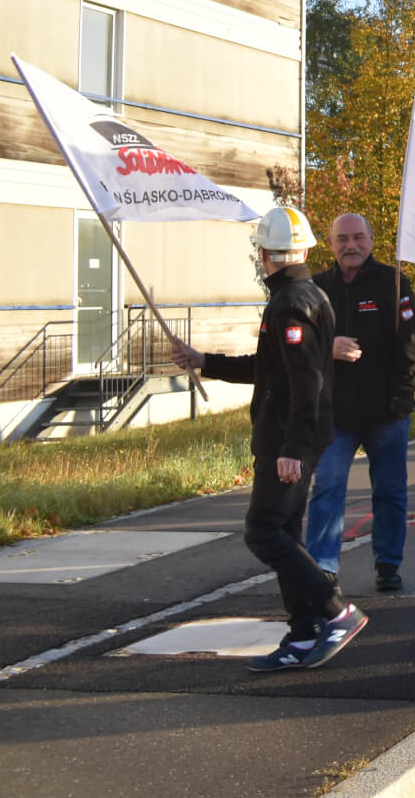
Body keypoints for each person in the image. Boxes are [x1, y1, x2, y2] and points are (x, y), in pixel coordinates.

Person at [169, 207, 365, 671]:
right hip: (292, 437)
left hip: (286, 439)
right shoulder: (306, 294)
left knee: (263, 531)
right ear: (305, 248)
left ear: (262, 253)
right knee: (282, 533)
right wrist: (205, 360)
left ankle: (336, 611)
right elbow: (271, 369)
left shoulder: (290, 302)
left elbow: (305, 381)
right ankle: (301, 635)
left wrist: (293, 448)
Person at [303, 214, 415, 594]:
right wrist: (327, 348)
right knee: (328, 489)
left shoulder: (393, 281)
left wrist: (402, 396)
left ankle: (388, 565)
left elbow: (412, 343)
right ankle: (322, 571)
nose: (350, 245)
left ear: (371, 240)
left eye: (358, 237)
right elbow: (297, 347)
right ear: (330, 242)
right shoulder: (316, 288)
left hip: (386, 412)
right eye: (342, 238)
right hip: (335, 413)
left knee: (389, 492)